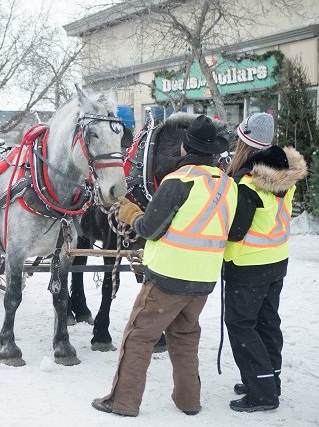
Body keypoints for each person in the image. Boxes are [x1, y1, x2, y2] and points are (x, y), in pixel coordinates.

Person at [91, 115, 237, 417]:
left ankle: (123, 401)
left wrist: (129, 212)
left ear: (184, 148)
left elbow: (148, 229)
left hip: (168, 278)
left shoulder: (177, 182)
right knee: (185, 339)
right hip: (204, 280)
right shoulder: (228, 185)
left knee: (138, 337)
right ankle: (189, 401)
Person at [223, 113, 307, 412]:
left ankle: (262, 394)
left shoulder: (247, 184)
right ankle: (269, 380)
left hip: (247, 266)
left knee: (241, 324)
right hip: (276, 259)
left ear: (244, 144)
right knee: (267, 321)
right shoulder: (283, 173)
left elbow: (235, 230)